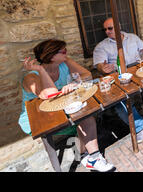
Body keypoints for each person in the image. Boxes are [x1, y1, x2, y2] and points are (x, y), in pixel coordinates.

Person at [20, 39, 115, 172]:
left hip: (62, 108)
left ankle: (92, 157)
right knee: (82, 117)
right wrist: (40, 69)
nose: (67, 53)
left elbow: (86, 75)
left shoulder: (64, 64)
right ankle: (86, 156)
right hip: (40, 119)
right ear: (52, 56)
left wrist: (75, 83)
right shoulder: (30, 78)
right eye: (63, 51)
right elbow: (50, 94)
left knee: (86, 115)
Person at [93, 18, 143, 142]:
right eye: (105, 29)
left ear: (118, 27)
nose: (107, 31)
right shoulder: (102, 46)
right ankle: (139, 126)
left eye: (110, 28)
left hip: (139, 73)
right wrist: (103, 68)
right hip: (119, 78)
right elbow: (100, 65)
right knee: (119, 101)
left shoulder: (132, 37)